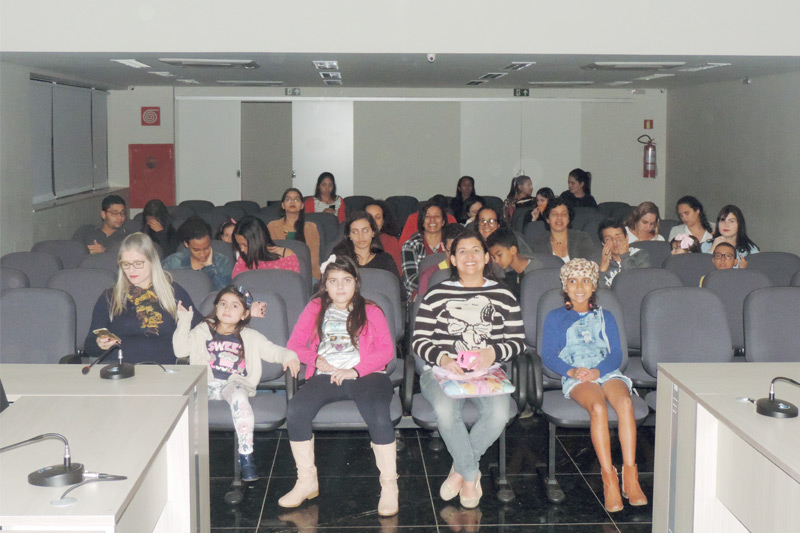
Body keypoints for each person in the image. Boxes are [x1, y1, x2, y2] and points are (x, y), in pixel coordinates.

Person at [412, 229, 525, 509]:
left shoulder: (503, 295)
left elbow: (518, 341)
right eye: (462, 251)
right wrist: (443, 359)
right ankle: (472, 477)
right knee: (446, 412)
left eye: (476, 250)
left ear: (487, 257)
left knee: (500, 414)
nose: (469, 256)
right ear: (453, 259)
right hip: (441, 371)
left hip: (488, 372)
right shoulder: (436, 294)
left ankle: (460, 470)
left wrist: (493, 352)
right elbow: (419, 340)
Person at [281, 255, 397, 516]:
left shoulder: (371, 310)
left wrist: (355, 370)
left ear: (356, 282)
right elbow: (295, 344)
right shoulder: (315, 308)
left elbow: (386, 351)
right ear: (325, 285)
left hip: (367, 374)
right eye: (333, 281)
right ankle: (306, 481)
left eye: (346, 280)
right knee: (296, 411)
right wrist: (315, 359)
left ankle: (389, 485)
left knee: (379, 414)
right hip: (327, 374)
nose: (340, 286)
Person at [540, 259, 646, 512]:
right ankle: (609, 480)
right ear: (565, 286)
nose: (579, 287)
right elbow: (548, 354)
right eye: (573, 281)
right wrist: (572, 371)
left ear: (594, 286)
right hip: (577, 374)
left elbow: (616, 353)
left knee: (625, 403)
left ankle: (630, 478)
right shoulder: (555, 317)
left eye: (585, 281)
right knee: (597, 407)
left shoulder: (605, 316)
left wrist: (599, 371)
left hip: (605, 371)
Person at [173, 285, 300, 481]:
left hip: (234, 384)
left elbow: (273, 351)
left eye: (234, 306)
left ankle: (246, 456)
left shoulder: (250, 336)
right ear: (216, 307)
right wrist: (184, 320)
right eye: (223, 304)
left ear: (244, 314)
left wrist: (289, 356)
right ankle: (193, 457)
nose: (227, 309)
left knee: (240, 399)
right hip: (205, 384)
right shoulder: (202, 330)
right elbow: (181, 350)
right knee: (187, 407)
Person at [85, 232, 201, 364]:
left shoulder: (173, 292)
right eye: (126, 264)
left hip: (164, 371)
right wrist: (99, 343)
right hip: (121, 370)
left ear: (152, 261)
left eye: (138, 263)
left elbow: (200, 330)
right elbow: (89, 347)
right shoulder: (111, 296)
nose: (131, 270)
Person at [162, 216, 234, 290]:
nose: (202, 254)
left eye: (206, 248)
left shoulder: (222, 261)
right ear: (186, 244)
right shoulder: (172, 262)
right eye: (196, 250)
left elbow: (225, 291)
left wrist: (210, 268)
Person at [267, 188, 322, 278]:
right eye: (288, 199)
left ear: (302, 205)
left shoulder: (311, 228)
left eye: (296, 199)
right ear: (283, 205)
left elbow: (313, 259)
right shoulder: (272, 226)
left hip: (307, 273)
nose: (292, 202)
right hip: (279, 271)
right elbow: (270, 253)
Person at [401, 202, 448, 300]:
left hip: (449, 292)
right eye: (427, 216)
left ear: (443, 222)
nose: (432, 219)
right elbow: (410, 280)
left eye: (437, 216)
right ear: (422, 222)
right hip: (420, 296)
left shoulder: (452, 245)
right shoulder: (410, 245)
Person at [332, 211, 399, 278]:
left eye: (365, 230)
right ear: (349, 235)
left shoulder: (385, 260)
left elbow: (395, 284)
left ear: (373, 232)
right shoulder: (340, 259)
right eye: (355, 232)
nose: (360, 236)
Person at [531, 198, 596, 262]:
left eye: (564, 214)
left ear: (568, 219)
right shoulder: (540, 242)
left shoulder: (581, 238)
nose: (559, 217)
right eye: (554, 214)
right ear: (548, 219)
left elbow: (589, 263)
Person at [486, 227, 544, 298]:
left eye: (499, 255)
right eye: (494, 257)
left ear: (513, 250)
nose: (496, 261)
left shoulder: (538, 271)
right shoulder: (502, 274)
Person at [232, 216, 299, 277]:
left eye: (245, 245)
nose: (242, 249)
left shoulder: (286, 256)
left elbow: (293, 283)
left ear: (258, 240)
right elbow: (237, 281)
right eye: (239, 244)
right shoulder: (244, 258)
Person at [597, 220, 651, 288]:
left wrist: (625, 256)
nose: (614, 241)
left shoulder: (641, 255)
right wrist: (602, 271)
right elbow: (600, 293)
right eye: (608, 239)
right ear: (603, 244)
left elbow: (638, 283)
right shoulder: (599, 263)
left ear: (627, 237)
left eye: (618, 237)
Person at [418, 223, 467, 297]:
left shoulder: (475, 270)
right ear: (443, 246)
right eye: (451, 250)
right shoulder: (429, 275)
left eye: (461, 250)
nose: (456, 256)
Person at [364, 200, 402, 272]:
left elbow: (397, 273)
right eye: (369, 217)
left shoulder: (390, 241)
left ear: (383, 221)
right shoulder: (353, 239)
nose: (373, 221)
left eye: (378, 217)